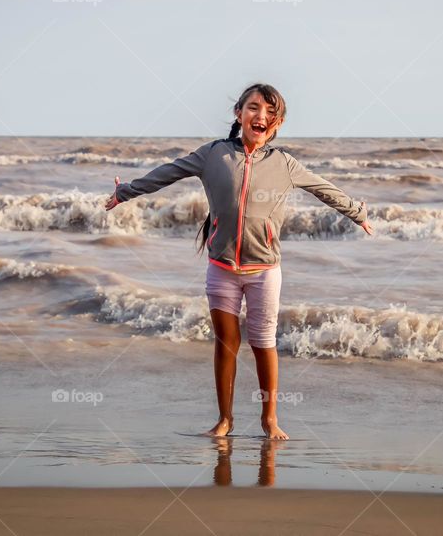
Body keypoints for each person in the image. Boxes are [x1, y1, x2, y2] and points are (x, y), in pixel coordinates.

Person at [105, 83, 374, 439]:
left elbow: (323, 188)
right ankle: (225, 420)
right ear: (239, 113)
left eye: (269, 113)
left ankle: (270, 419)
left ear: (276, 125)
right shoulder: (212, 155)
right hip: (221, 270)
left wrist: (357, 213)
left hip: (264, 271)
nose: (260, 116)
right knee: (226, 345)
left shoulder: (284, 164)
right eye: (253, 108)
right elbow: (168, 172)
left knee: (264, 345)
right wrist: (125, 192)